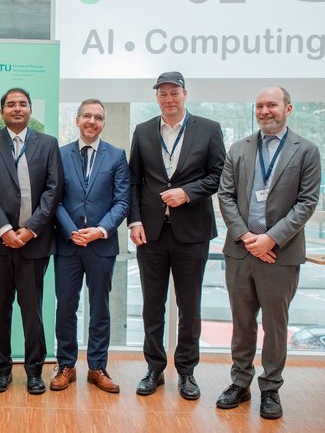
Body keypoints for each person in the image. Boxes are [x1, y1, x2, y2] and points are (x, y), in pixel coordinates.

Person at [216, 87, 321, 420]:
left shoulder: (306, 150)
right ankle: (240, 383)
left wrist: (271, 240)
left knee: (275, 326)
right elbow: (225, 196)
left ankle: (271, 388)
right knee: (242, 324)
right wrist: (248, 237)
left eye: (271, 105)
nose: (265, 111)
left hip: (281, 254)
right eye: (259, 106)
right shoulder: (239, 149)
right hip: (240, 251)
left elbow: (307, 202)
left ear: (288, 108)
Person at [128, 71, 225, 400]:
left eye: (174, 93)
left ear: (185, 94)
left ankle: (186, 372)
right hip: (151, 234)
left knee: (189, 306)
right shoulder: (143, 131)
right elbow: (133, 181)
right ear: (156, 97)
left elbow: (218, 175)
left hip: (192, 233)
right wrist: (134, 222)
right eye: (162, 93)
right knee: (152, 306)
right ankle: (154, 368)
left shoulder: (209, 130)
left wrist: (187, 192)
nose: (168, 99)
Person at [0, 88, 63, 395]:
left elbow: (53, 190)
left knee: (32, 309)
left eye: (23, 103)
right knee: (0, 307)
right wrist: (5, 230)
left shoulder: (48, 144)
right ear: (2, 111)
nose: (17, 108)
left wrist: (30, 229)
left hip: (34, 242)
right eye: (11, 104)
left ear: (31, 110)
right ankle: (2, 367)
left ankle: (34, 370)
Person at [52, 99, 130, 393]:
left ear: (103, 123)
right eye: (87, 116)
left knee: (100, 309)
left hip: (101, 246)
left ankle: (97, 367)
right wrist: (72, 231)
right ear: (77, 120)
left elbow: (122, 201)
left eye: (98, 117)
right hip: (68, 245)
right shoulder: (59, 155)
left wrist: (100, 230)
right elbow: (54, 200)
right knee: (66, 308)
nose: (92, 121)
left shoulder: (117, 156)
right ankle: (66, 366)